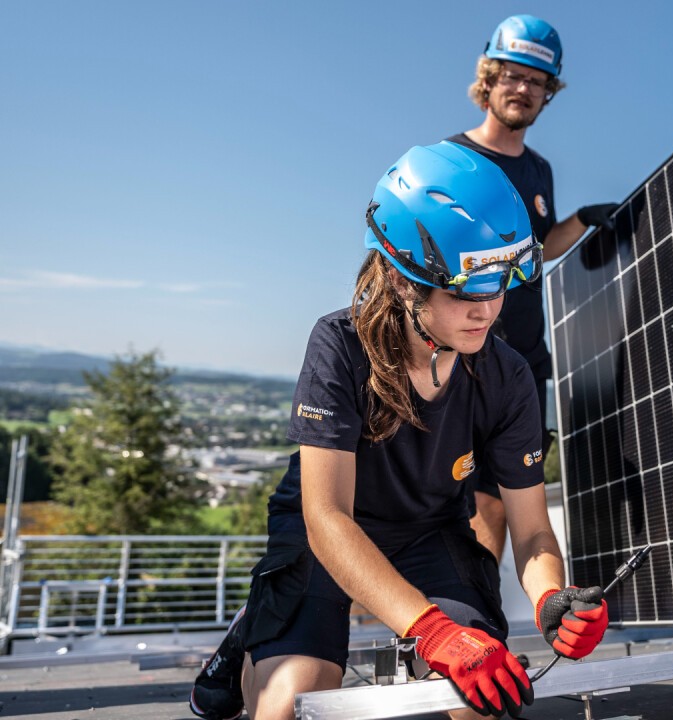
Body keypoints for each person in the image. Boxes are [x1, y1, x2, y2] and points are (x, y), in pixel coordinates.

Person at [188, 142, 609, 720]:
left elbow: (532, 530)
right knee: (290, 705)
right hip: (327, 532)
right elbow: (328, 518)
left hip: (429, 533)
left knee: (483, 697)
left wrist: (552, 601)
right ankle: (259, 623)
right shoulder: (339, 346)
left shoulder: (508, 375)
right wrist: (431, 630)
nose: (488, 311)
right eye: (467, 291)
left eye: (502, 284)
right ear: (403, 279)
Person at [447, 14, 618, 562]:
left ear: (548, 93)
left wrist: (583, 221)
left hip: (521, 362)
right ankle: (440, 636)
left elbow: (535, 255)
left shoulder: (540, 171)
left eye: (536, 81)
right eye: (513, 74)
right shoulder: (452, 163)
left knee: (499, 504)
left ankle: (479, 631)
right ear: (489, 78)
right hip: (458, 356)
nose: (523, 88)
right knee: (456, 501)